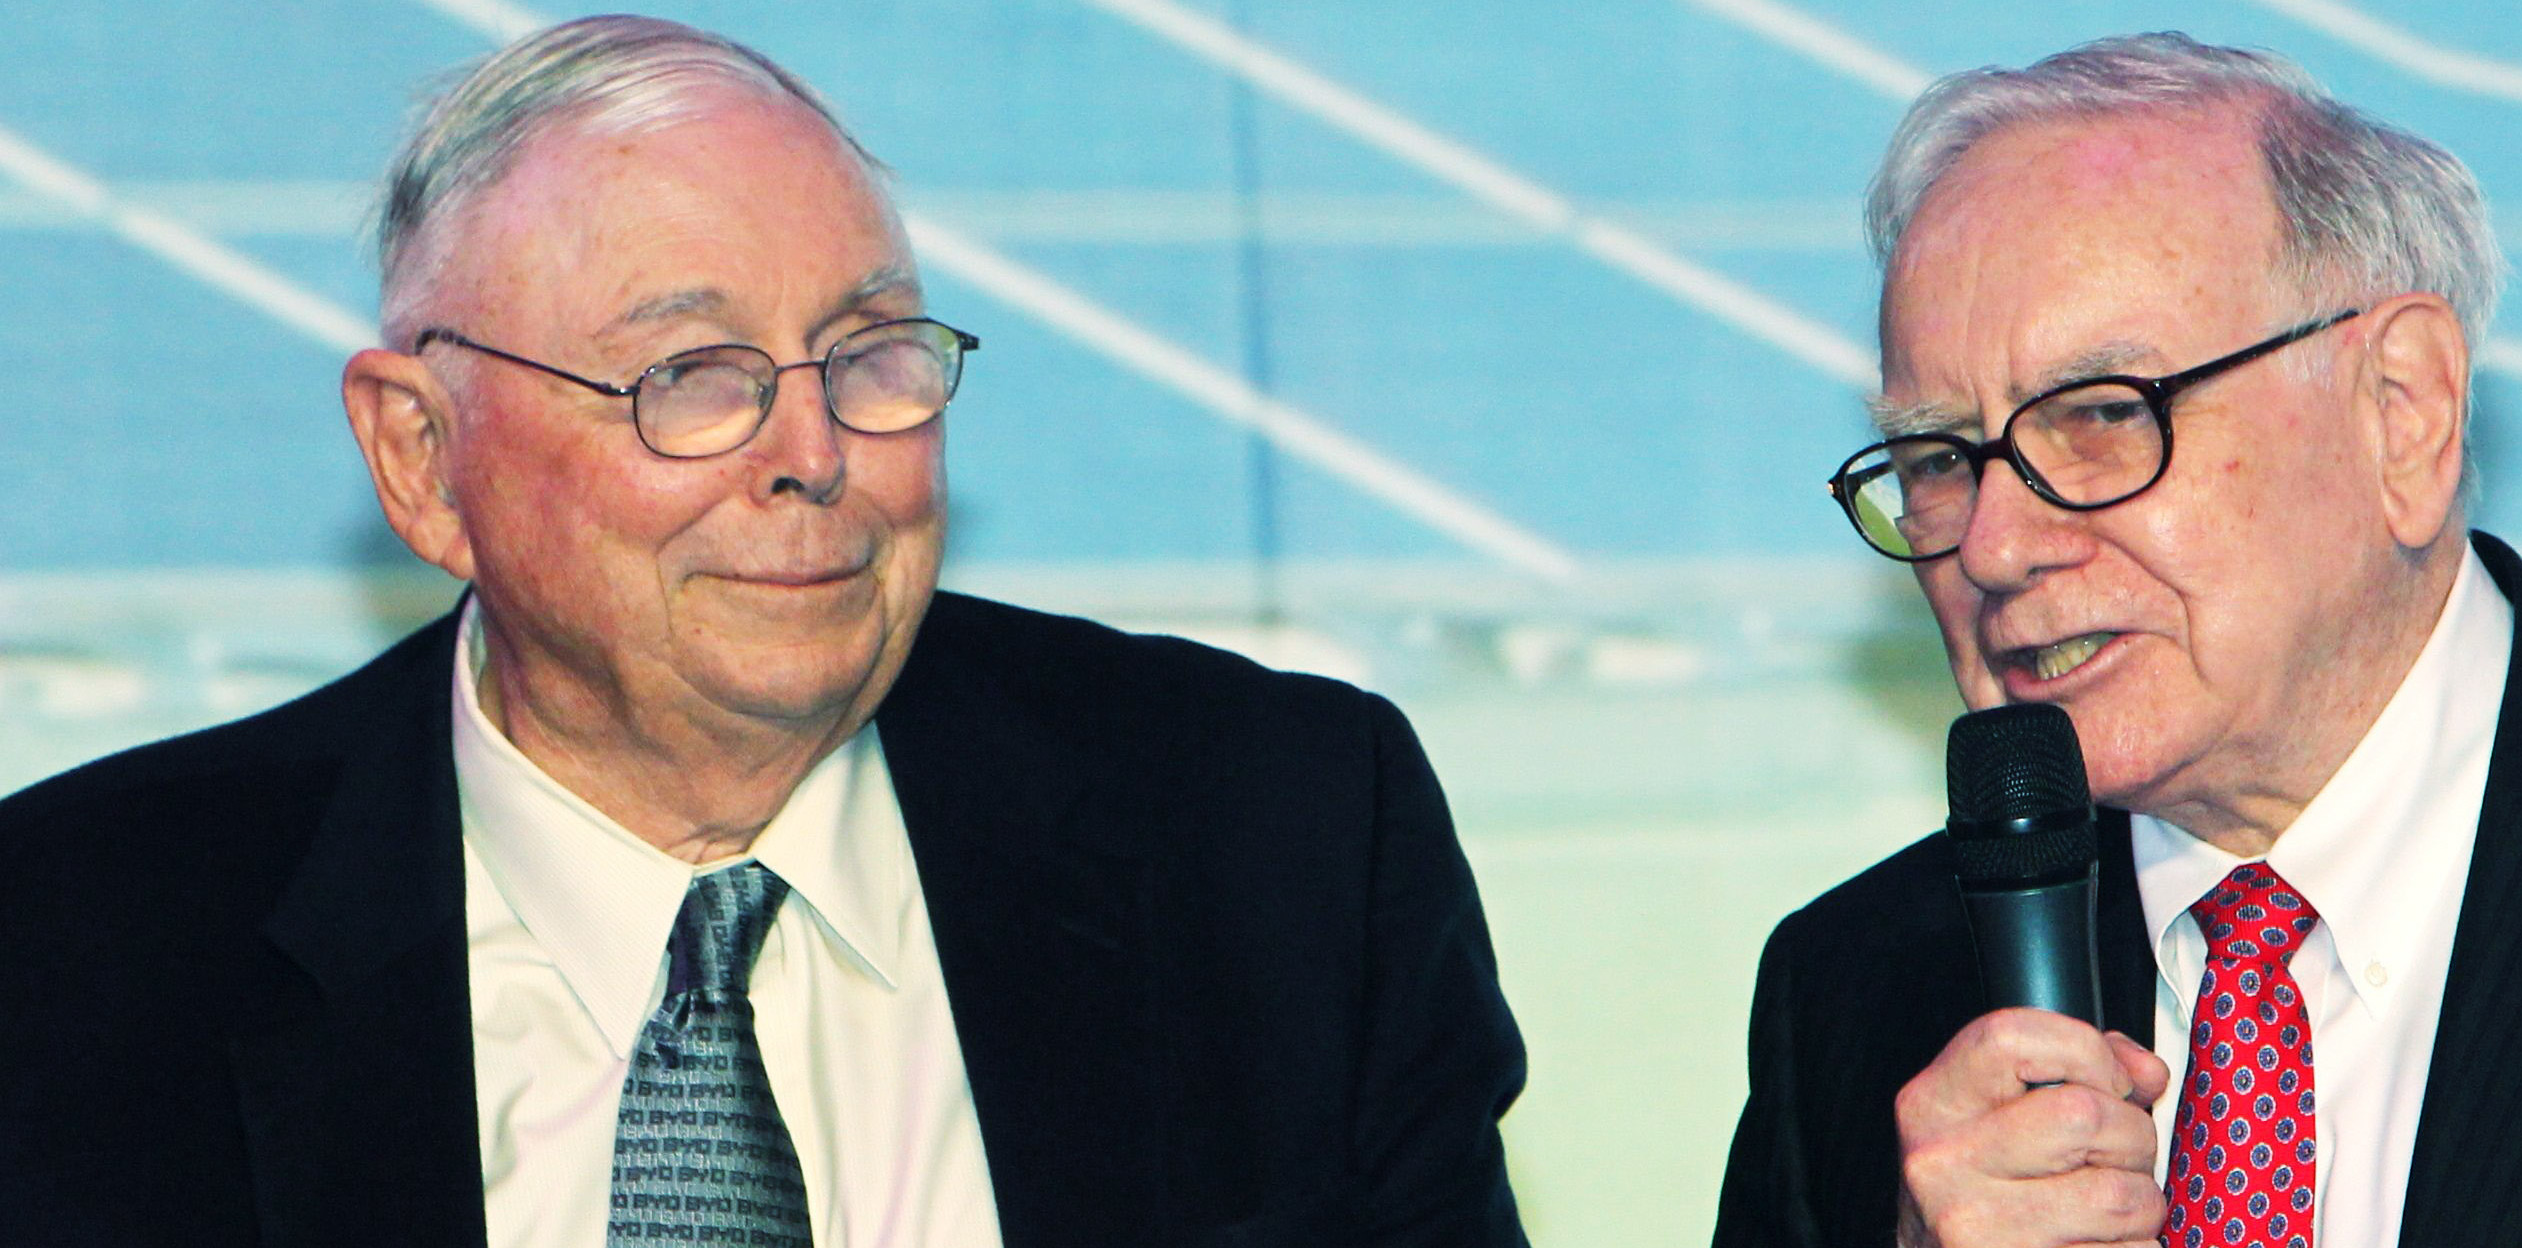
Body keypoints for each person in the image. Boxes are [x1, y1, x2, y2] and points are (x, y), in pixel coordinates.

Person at [0, 16, 1527, 1248]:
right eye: (693, 373)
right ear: (421, 457)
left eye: (868, 354)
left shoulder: (1281, 839)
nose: (813, 449)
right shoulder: (78, 955)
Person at [1714, 31, 2522, 1248]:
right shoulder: (1860, 992)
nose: (1994, 546)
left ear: (2402, 412)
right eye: (1935, 459)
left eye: (2098, 417)